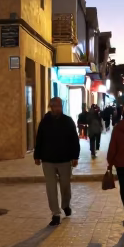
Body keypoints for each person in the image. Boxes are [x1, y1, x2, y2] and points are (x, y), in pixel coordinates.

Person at [34, 96, 81, 227]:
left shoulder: (68, 121)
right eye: (55, 106)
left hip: (64, 159)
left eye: (59, 106)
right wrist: (37, 156)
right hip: (48, 160)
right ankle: (55, 213)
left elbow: (74, 140)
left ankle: (65, 204)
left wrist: (75, 156)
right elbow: (39, 140)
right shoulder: (44, 122)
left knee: (65, 185)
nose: (58, 108)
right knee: (51, 187)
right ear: (51, 107)